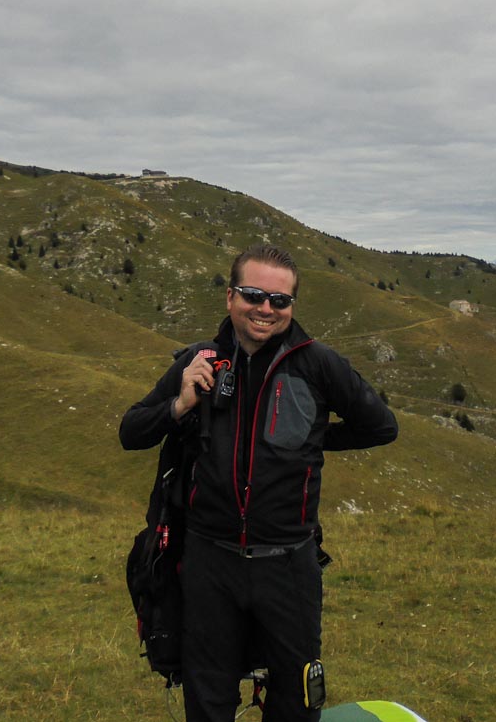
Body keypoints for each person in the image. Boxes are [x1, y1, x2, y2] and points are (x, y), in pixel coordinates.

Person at [121, 244, 398, 722]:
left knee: (296, 701)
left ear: (292, 305)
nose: (266, 308)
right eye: (253, 295)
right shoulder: (200, 360)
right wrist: (180, 405)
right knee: (208, 700)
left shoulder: (318, 364)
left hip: (289, 562)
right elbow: (132, 432)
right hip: (208, 561)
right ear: (230, 297)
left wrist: (311, 439)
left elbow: (381, 426)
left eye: (280, 300)